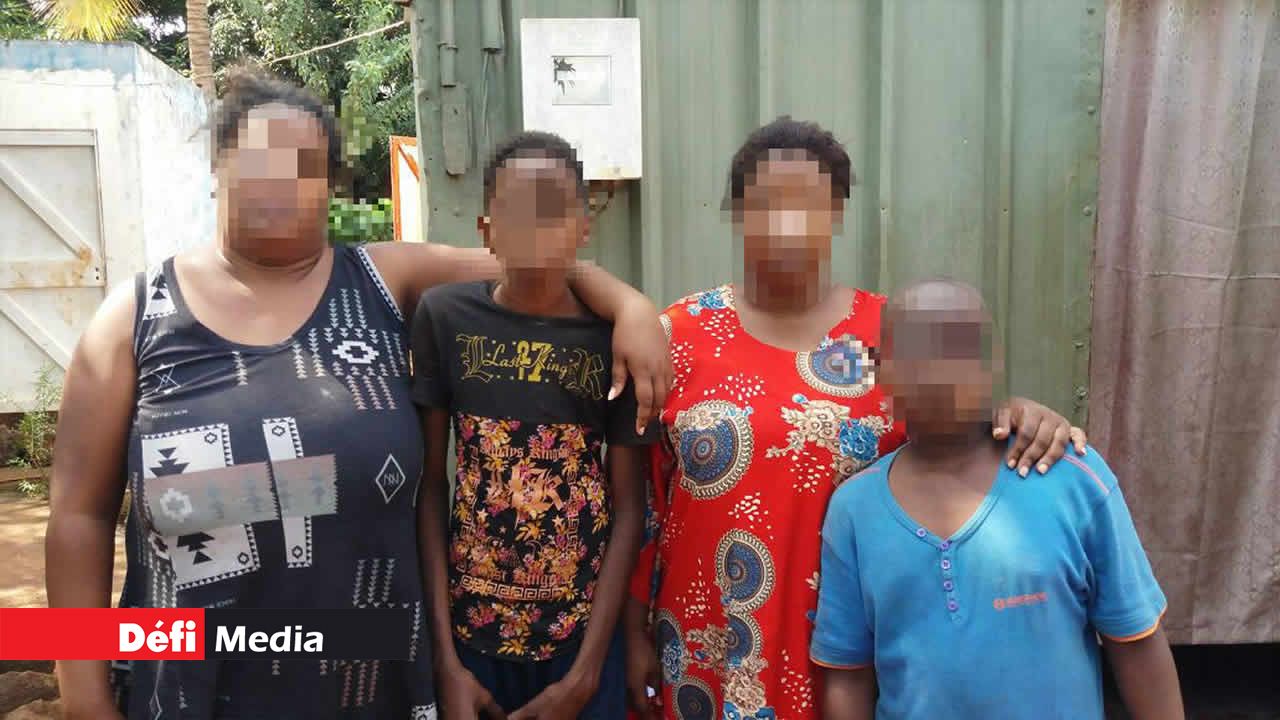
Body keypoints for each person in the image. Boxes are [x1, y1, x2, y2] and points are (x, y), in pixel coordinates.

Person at [45, 70, 670, 720]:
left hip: (372, 683)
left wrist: (631, 307)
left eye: (304, 165)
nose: (279, 180)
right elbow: (78, 517)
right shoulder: (137, 319)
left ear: (331, 187)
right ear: (217, 166)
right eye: (257, 158)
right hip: (187, 686)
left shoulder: (382, 280)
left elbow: (540, 264)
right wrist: (84, 695)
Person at [624, 118, 1089, 720]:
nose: (787, 222)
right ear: (737, 212)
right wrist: (633, 634)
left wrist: (1017, 415)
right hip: (708, 647)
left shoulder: (891, 335)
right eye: (766, 203)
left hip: (859, 651)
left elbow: (959, 432)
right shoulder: (679, 336)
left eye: (809, 203)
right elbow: (648, 503)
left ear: (838, 213)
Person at [810, 278, 1183, 719]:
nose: (940, 368)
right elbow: (849, 675)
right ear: (883, 371)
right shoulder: (855, 510)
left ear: (994, 363)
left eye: (962, 347)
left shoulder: (1071, 477)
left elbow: (1136, 642)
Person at [412, 131, 658, 720]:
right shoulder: (445, 318)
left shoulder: (614, 339)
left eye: (554, 209)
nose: (536, 226)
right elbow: (430, 486)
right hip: (472, 640)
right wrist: (446, 660)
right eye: (516, 210)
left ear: (583, 228)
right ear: (487, 230)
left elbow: (630, 508)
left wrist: (587, 673)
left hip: (580, 641)